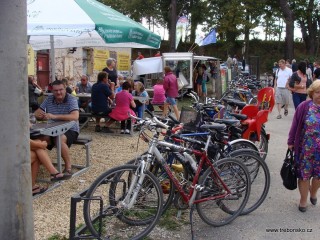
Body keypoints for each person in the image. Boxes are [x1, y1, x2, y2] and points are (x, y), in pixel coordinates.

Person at [287, 80, 320, 212]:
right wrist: (290, 141)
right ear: (312, 93)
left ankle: (313, 193)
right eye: (318, 92)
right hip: (305, 149)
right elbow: (295, 125)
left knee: (318, 176)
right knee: (304, 175)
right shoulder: (304, 106)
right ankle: (303, 200)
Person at [34, 80, 80, 175]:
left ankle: (68, 167)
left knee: (59, 138)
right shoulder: (49, 99)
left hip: (70, 129)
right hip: (52, 128)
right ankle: (40, 164)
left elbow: (75, 117)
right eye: (56, 90)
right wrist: (39, 115)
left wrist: (54, 116)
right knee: (39, 140)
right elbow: (36, 113)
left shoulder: (71, 99)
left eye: (61, 90)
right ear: (52, 91)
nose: (58, 92)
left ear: (65, 89)